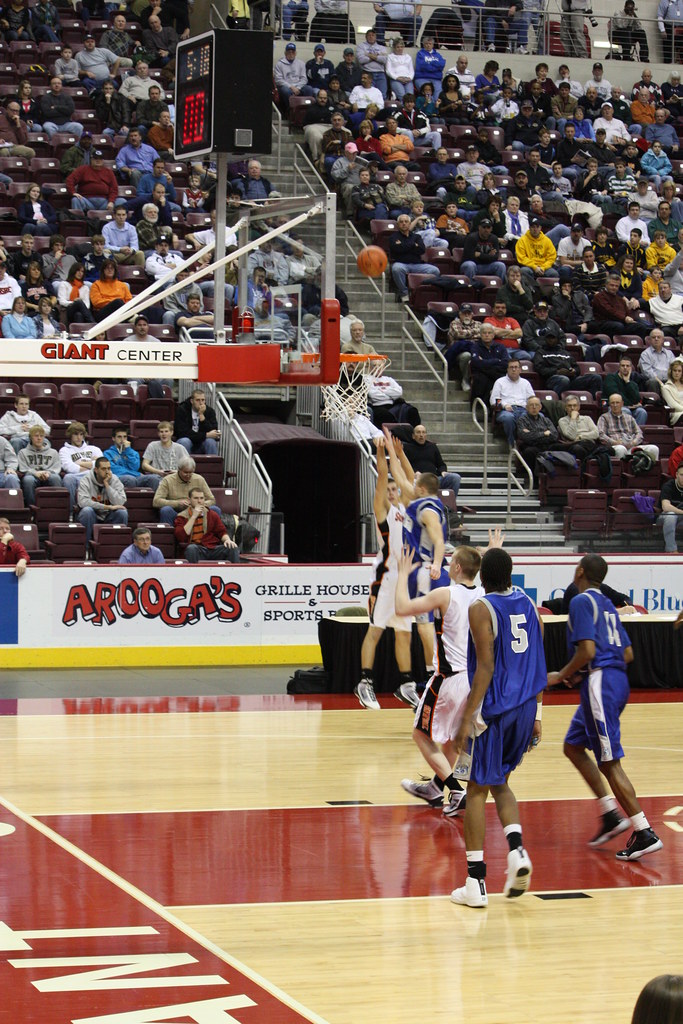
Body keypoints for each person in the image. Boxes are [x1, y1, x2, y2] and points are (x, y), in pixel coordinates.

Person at [550, 554, 663, 860]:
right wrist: (582, 673)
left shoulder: (580, 601)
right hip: (614, 680)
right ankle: (610, 814)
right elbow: (627, 653)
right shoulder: (608, 605)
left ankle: (644, 831)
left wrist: (562, 674)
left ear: (580, 571)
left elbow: (587, 650)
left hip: (600, 684)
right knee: (573, 746)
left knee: (609, 761)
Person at [449, 548, 544, 908]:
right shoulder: (529, 604)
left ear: (482, 578)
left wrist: (466, 717)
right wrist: (538, 714)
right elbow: (537, 660)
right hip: (525, 707)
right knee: (499, 780)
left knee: (475, 790)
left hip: (495, 709)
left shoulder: (481, 607)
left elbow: (486, 667)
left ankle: (475, 882)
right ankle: (517, 853)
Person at [396, 529, 505, 817]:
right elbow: (488, 570)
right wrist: (492, 552)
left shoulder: (445, 594)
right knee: (456, 737)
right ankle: (434, 788)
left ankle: (456, 791)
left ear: (456, 567)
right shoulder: (484, 595)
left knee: (421, 735)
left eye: (450, 561)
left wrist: (402, 576)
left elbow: (402, 608)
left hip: (448, 679)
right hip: (475, 680)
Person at [354, 437, 419, 711]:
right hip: (385, 578)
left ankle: (406, 684)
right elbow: (383, 475)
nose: (392, 492)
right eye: (389, 489)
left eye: (395, 488)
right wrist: (382, 451)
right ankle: (364, 682)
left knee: (404, 634)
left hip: (403, 581)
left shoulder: (406, 510)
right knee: (376, 630)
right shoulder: (383, 510)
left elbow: (411, 479)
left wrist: (400, 455)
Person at [384, 430, 448, 675]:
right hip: (418, 568)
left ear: (420, 489)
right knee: (423, 622)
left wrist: (436, 564)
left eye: (416, 481)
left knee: (424, 623)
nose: (412, 481)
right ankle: (434, 668)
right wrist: (395, 453)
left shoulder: (427, 509)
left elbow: (439, 541)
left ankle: (433, 670)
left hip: (425, 568)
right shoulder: (421, 501)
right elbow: (402, 477)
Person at [174, 487, 239, 563]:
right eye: (196, 498)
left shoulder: (212, 514)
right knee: (191, 548)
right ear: (189, 500)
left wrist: (227, 540)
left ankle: (235, 571)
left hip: (212, 548)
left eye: (201, 498)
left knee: (232, 548)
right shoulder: (182, 516)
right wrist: (194, 516)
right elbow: (181, 537)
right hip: (196, 549)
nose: (199, 501)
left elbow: (222, 532)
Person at [77, 456, 128, 546]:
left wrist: (107, 485)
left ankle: (117, 547)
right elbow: (82, 502)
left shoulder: (114, 479)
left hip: (109, 516)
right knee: (87, 511)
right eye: (104, 469)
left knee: (122, 512)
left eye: (109, 468)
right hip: (93, 515)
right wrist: (107, 507)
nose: (107, 472)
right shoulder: (86, 480)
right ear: (96, 470)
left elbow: (120, 502)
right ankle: (86, 548)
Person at [152, 458, 220, 526]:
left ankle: (213, 532)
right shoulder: (167, 480)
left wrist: (200, 504)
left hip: (197, 512)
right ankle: (167, 532)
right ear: (179, 469)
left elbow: (212, 500)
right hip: (176, 513)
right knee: (166, 510)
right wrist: (177, 503)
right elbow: (156, 501)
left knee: (215, 509)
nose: (188, 475)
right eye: (185, 472)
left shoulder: (199, 479)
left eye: (190, 472)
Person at [388, 213, 440, 302]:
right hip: (402, 264)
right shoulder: (393, 237)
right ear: (398, 224)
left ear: (410, 223)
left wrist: (403, 245)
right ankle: (404, 293)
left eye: (406, 221)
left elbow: (421, 250)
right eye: (401, 222)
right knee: (396, 269)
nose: (404, 223)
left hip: (417, 265)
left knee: (435, 270)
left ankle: (422, 293)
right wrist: (413, 245)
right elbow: (396, 249)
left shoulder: (417, 236)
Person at [597, 394, 660, 462]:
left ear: (622, 404)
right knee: (621, 449)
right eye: (612, 403)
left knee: (654, 448)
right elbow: (601, 435)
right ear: (609, 404)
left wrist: (634, 442)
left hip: (631, 445)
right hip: (615, 446)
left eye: (617, 402)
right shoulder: (604, 418)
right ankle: (621, 468)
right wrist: (615, 442)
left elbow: (639, 433)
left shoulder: (629, 418)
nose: (615, 405)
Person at [402, 423, 461, 495]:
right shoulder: (407, 448)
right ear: (413, 436)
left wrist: (443, 471)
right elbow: (404, 465)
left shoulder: (432, 447)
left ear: (426, 435)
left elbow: (441, 464)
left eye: (423, 432)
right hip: (418, 480)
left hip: (434, 479)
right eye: (418, 432)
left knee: (455, 477)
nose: (421, 435)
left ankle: (449, 501)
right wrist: (414, 472)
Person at [489, 358, 535, 446]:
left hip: (523, 409)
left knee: (534, 416)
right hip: (505, 410)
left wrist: (529, 407)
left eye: (516, 367)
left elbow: (532, 398)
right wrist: (504, 405)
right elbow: (494, 400)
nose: (514, 369)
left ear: (520, 369)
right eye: (511, 367)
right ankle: (512, 443)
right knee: (508, 418)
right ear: (507, 369)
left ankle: (525, 443)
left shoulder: (526, 383)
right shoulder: (500, 382)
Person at [59, 421, 104, 510]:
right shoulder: (64, 450)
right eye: (76, 434)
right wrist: (91, 463)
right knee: (68, 478)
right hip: (76, 476)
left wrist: (79, 463)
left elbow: (102, 464)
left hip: (92, 475)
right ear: (70, 435)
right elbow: (69, 467)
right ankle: (71, 511)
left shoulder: (94, 449)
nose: (79, 437)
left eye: (81, 434)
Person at [16, 424, 63, 506]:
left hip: (49, 474)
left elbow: (56, 467)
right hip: (32, 475)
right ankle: (31, 508)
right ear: (30, 437)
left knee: (56, 478)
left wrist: (48, 473)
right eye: (36, 436)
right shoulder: (23, 452)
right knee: (28, 480)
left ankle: (57, 507)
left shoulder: (53, 452)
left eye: (41, 436)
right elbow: (23, 468)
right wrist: (35, 473)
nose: (39, 438)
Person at [174, 389, 220, 457]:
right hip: (187, 441)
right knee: (184, 441)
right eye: (198, 400)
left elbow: (214, 431)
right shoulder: (182, 410)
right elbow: (182, 432)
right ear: (192, 401)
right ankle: (184, 463)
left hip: (202, 443)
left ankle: (212, 463)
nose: (201, 403)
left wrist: (202, 417)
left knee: (210, 442)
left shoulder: (210, 411)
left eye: (203, 400)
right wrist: (205, 435)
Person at [557, 394, 600, 462]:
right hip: (575, 445)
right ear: (565, 408)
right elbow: (572, 436)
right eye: (569, 406)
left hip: (589, 444)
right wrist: (573, 419)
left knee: (609, 450)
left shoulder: (587, 418)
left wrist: (580, 437)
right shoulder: (562, 421)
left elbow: (596, 433)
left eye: (574, 405)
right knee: (578, 449)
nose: (572, 408)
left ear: (579, 407)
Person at [659, 462, 683, 552]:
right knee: (671, 515)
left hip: (681, 518)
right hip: (664, 517)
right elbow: (666, 507)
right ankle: (671, 550)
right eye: (682, 475)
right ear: (676, 475)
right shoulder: (668, 486)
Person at [661, 358, 683, 424]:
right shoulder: (665, 388)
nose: (677, 373)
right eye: (675, 370)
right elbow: (673, 405)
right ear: (671, 372)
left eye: (679, 371)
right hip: (676, 414)